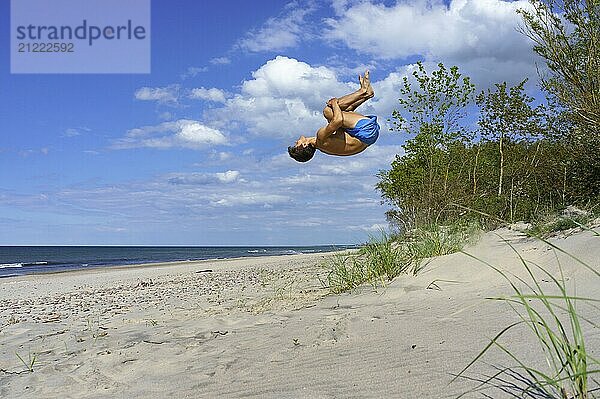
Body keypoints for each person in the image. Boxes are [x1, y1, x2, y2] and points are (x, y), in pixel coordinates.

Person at [288, 70, 379, 163]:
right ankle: (362, 91)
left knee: (337, 113)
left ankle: (367, 95)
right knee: (328, 111)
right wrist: (334, 102)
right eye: (296, 144)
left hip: (369, 138)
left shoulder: (325, 147)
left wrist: (334, 113)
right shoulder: (321, 137)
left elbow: (343, 118)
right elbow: (338, 120)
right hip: (365, 130)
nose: (296, 142)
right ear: (303, 146)